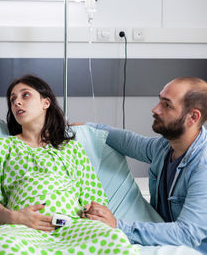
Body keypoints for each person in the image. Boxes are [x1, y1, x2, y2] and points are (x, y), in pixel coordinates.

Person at [0, 74, 139, 254]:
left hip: (72, 226)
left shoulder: (72, 149)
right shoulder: (1, 147)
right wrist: (16, 217)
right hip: (21, 229)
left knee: (115, 241)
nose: (17, 102)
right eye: (12, 99)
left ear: (46, 102)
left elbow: (92, 198)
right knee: (1, 245)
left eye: (25, 95)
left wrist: (92, 214)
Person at [82, 77, 207, 253]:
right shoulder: (165, 147)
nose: (155, 109)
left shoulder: (203, 165)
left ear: (193, 117)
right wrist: (87, 129)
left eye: (167, 105)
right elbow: (130, 141)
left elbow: (188, 234)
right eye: (159, 100)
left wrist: (118, 226)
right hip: (164, 241)